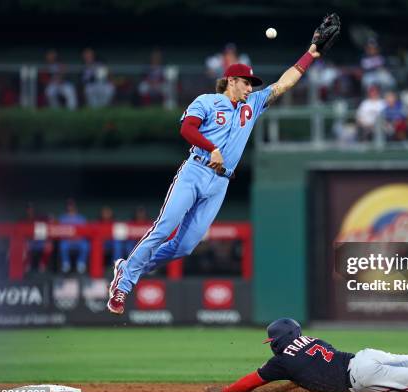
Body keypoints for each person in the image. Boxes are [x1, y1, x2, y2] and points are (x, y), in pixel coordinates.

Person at [107, 14, 340, 314]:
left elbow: (283, 84)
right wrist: (211, 147)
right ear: (231, 80)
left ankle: (128, 269)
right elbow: (186, 129)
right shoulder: (206, 101)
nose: (249, 87)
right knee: (164, 227)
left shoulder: (252, 105)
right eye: (246, 82)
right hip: (196, 170)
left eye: (251, 83)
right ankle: (123, 285)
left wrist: (311, 54)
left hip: (220, 183)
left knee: (186, 246)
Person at [208, 317, 408, 392]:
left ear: (279, 341)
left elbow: (248, 382)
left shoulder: (281, 361)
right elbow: (306, 376)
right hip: (364, 357)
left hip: (361, 378)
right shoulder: (312, 341)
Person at [58, 198, 89, 274]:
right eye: (69, 205)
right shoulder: (62, 218)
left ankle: (81, 264)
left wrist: (79, 237)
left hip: (79, 241)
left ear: (75, 206)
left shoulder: (81, 218)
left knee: (85, 245)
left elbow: (86, 231)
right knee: (63, 245)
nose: (70, 207)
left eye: (72, 205)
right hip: (67, 240)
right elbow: (58, 231)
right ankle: (66, 264)